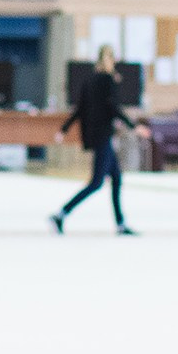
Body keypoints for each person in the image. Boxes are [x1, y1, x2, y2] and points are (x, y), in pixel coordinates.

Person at [50, 45, 148, 235]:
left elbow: (79, 110)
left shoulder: (90, 80)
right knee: (96, 183)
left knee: (116, 178)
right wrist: (134, 126)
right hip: (103, 135)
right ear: (111, 59)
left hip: (96, 135)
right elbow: (113, 108)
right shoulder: (108, 80)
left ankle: (120, 224)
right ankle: (61, 214)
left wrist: (63, 130)